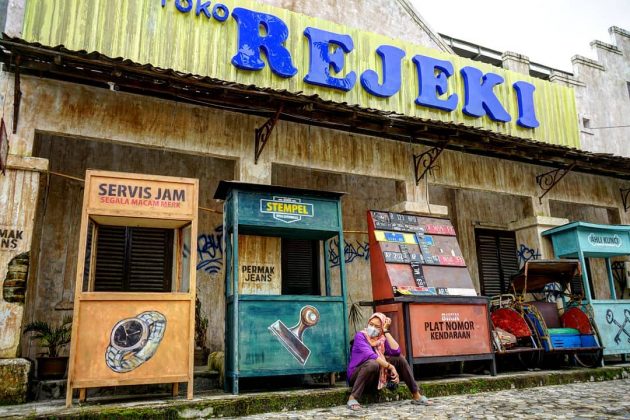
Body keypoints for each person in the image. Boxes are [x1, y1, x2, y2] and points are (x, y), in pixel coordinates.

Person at [346, 312, 432, 411]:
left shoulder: (381, 339)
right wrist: (390, 367)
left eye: (377, 326)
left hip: (375, 378)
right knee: (372, 364)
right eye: (371, 324)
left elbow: (396, 351)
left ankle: (416, 395)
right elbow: (372, 356)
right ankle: (353, 398)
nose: (372, 328)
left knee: (399, 359)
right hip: (357, 377)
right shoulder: (360, 336)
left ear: (381, 328)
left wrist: (386, 331)